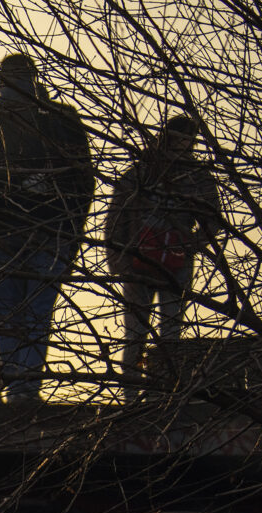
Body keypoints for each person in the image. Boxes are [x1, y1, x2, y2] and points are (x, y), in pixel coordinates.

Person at [0, 54, 93, 403]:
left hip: (27, 234)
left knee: (17, 315)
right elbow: (82, 182)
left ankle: (22, 389)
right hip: (27, 234)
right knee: (25, 316)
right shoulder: (57, 122)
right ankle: (23, 390)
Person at [105, 115, 224, 401]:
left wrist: (190, 245)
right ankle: (132, 398)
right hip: (138, 263)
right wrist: (118, 261)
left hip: (175, 264)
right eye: (181, 139)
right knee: (136, 335)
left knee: (169, 335)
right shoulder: (140, 173)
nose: (185, 145)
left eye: (189, 140)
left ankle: (161, 396)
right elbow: (115, 220)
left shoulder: (197, 177)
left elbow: (213, 221)